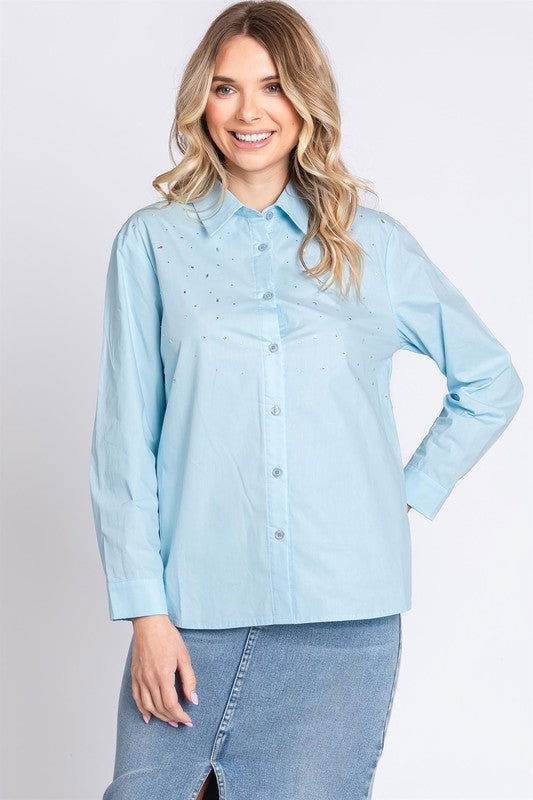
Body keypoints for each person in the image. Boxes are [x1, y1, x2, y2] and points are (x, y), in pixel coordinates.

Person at [89, 2, 524, 798]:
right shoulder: (152, 244)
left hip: (342, 620)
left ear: (305, 100)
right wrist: (145, 614)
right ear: (201, 102)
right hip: (192, 612)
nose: (247, 112)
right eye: (225, 88)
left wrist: (400, 493)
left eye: (272, 86)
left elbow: (490, 380)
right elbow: (125, 443)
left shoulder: (373, 245)